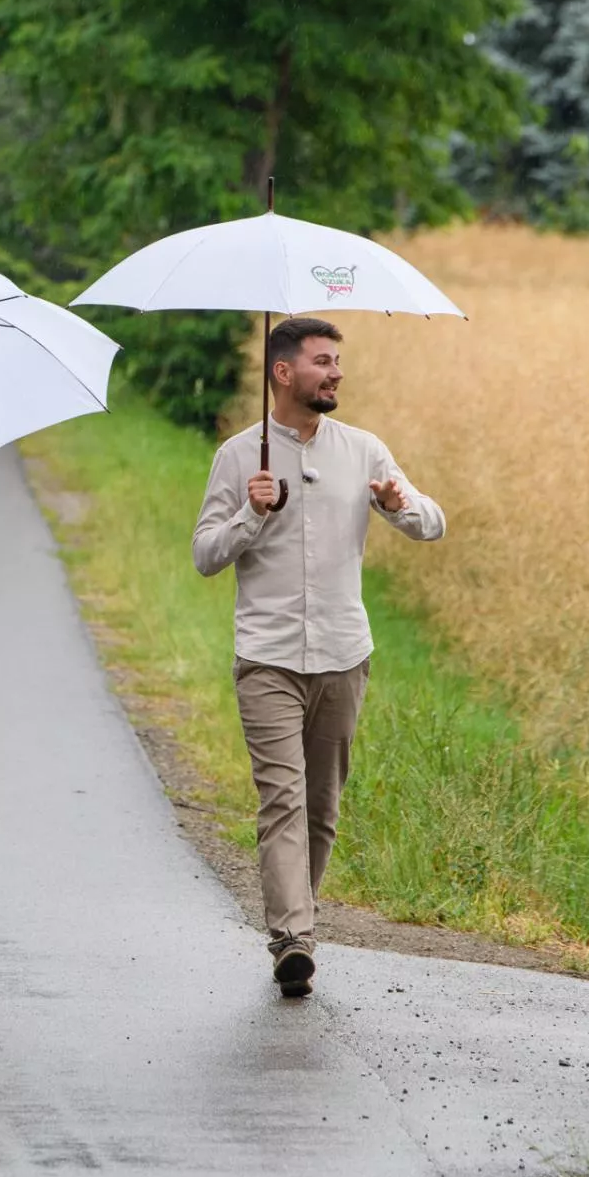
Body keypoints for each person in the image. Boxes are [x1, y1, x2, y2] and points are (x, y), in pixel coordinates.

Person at [192, 316, 445, 998]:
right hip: (268, 658)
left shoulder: (363, 450)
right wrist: (251, 515)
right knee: (281, 801)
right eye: (322, 362)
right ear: (283, 372)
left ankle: (295, 919)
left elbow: (433, 523)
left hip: (341, 655)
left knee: (322, 807)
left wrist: (399, 504)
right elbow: (206, 556)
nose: (335, 372)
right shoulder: (239, 457)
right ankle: (293, 938)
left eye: (337, 362)